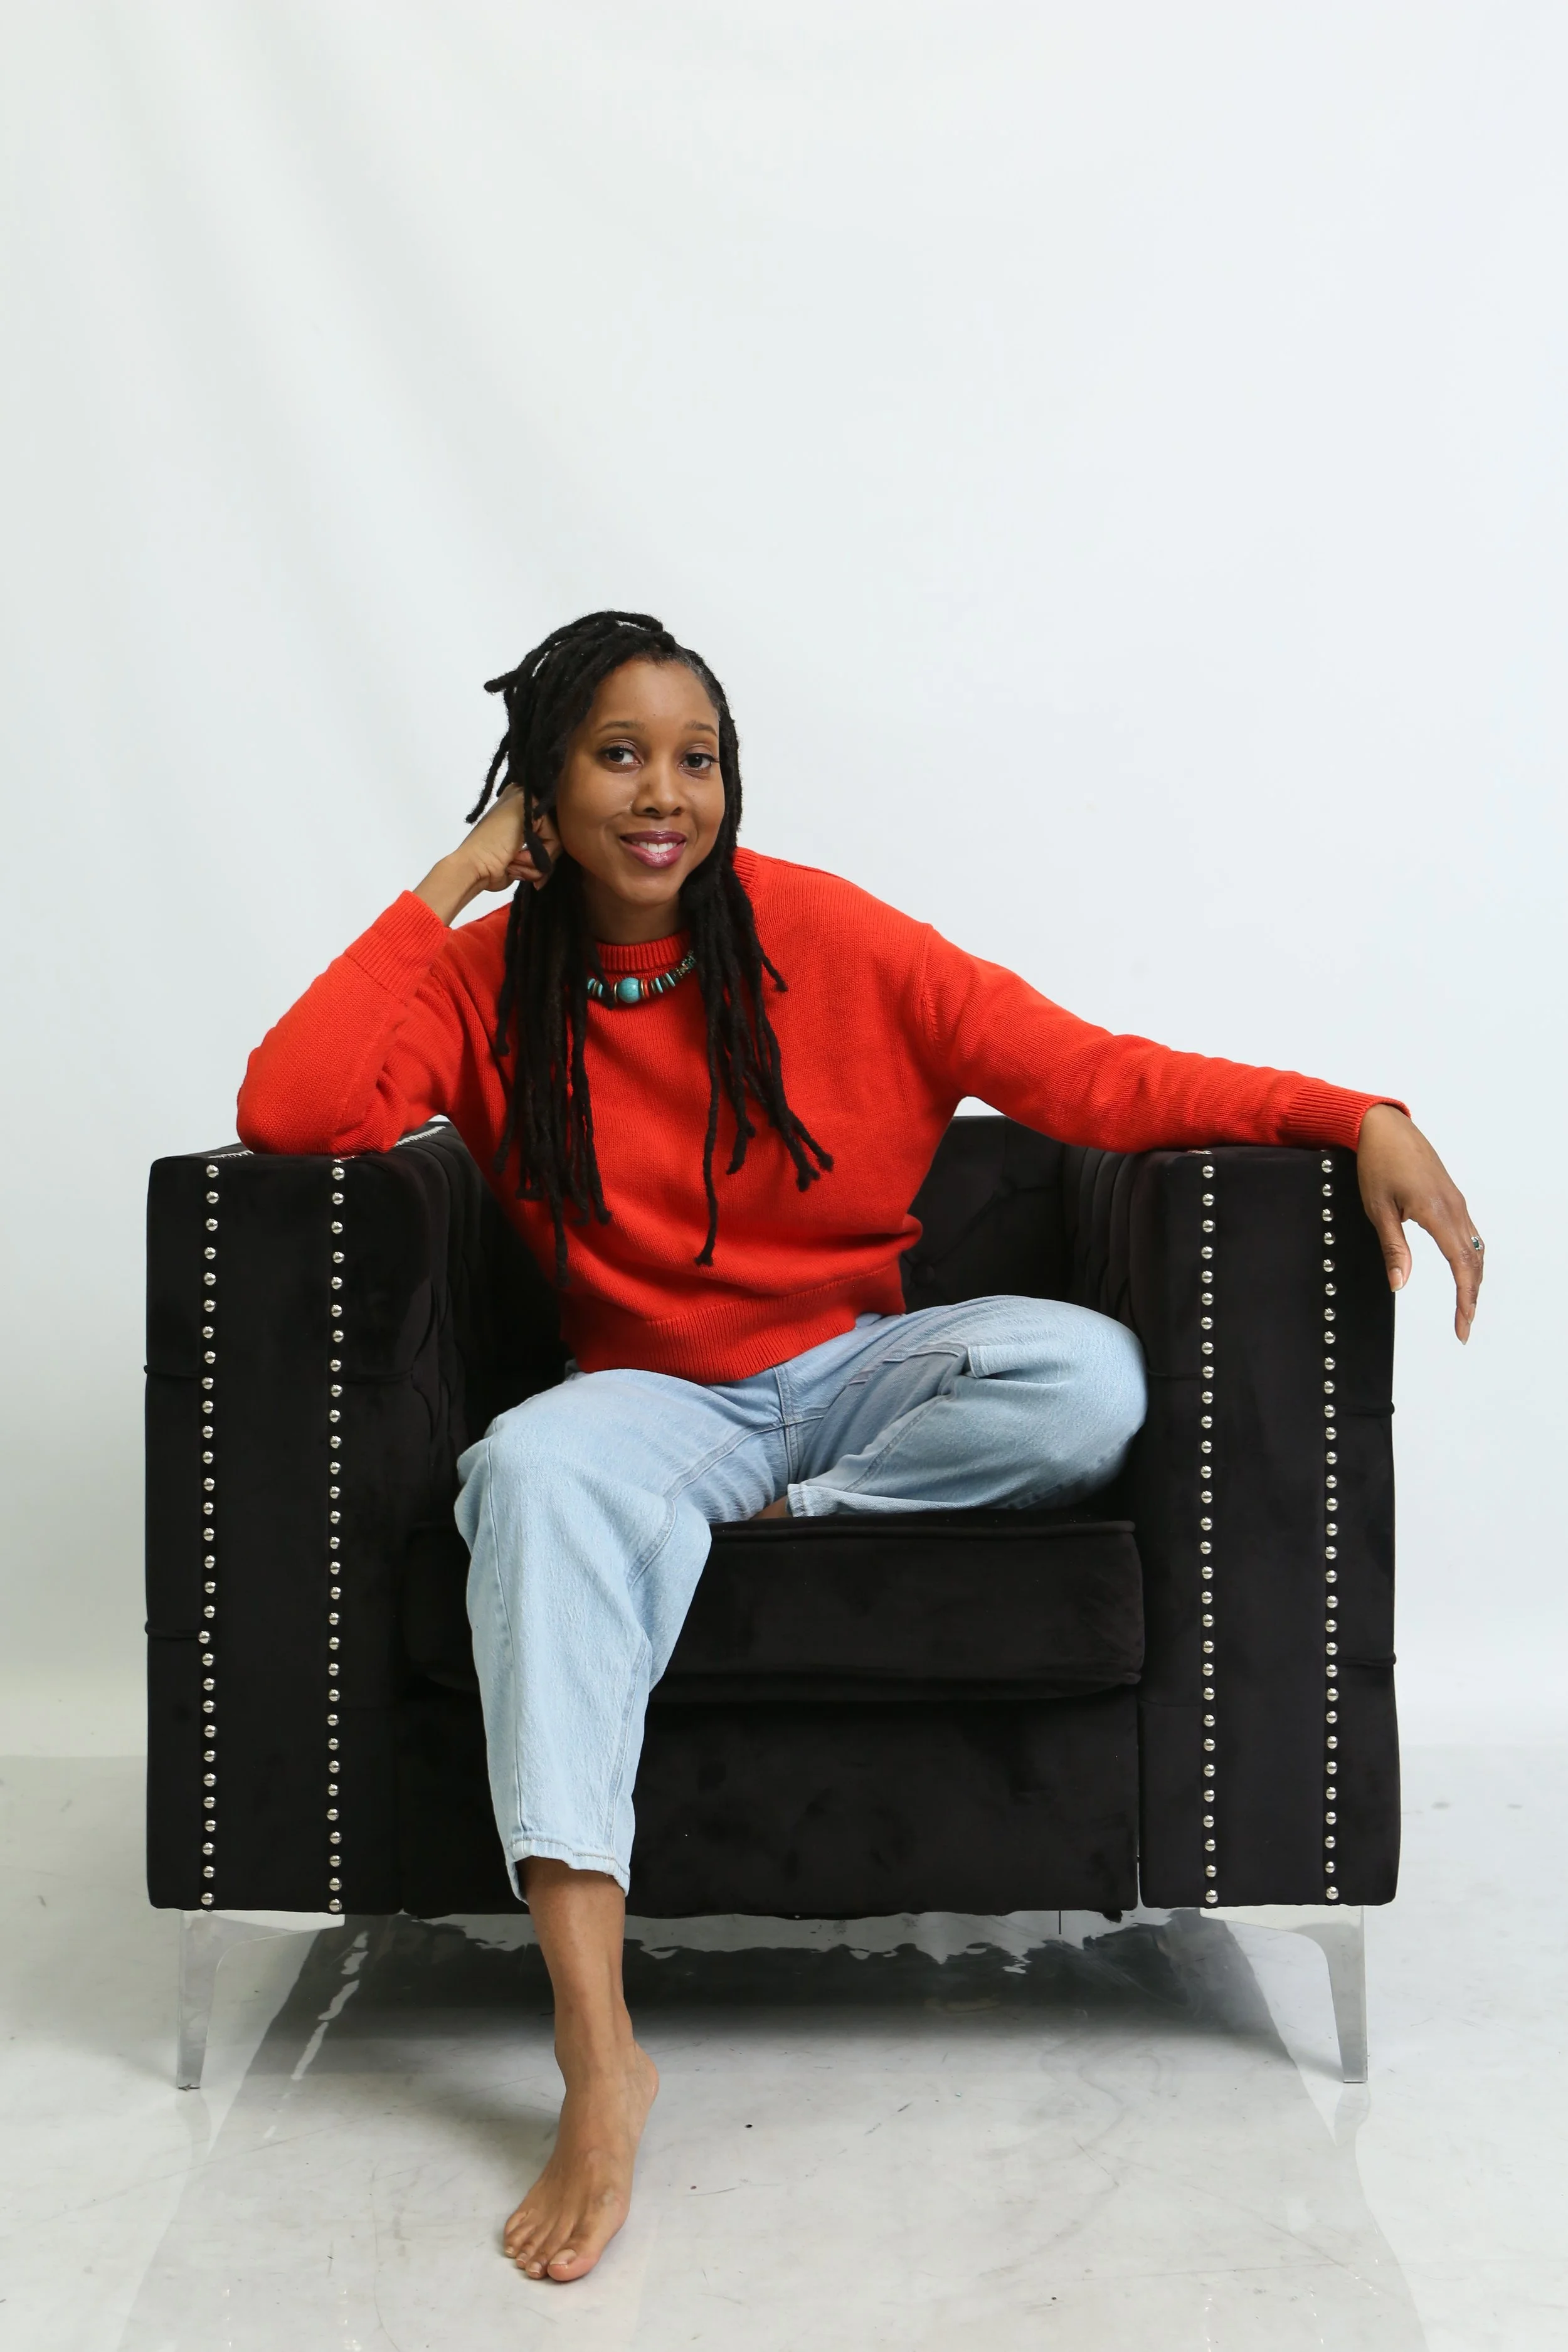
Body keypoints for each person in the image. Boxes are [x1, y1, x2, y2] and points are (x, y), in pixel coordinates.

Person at [238, 608, 1482, 2285]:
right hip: (649, 1394)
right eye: (615, 755)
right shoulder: (489, 984)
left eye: (696, 756)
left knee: (1086, 1373)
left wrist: (1351, 1113)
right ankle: (599, 2055)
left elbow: (1092, 1077)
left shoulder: (828, 942)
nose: (664, 791)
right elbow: (292, 1107)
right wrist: (464, 868)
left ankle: (767, 1510)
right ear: (546, 785)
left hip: (847, 1378)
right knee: (532, 1475)